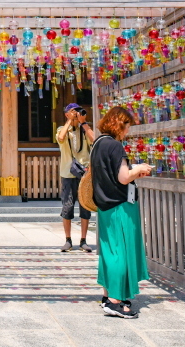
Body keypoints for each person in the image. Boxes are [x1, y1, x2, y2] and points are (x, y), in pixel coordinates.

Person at [91, 106, 153, 319]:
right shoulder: (115, 146)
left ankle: (109, 295)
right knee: (120, 253)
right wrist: (139, 169)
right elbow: (124, 177)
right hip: (119, 205)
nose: (127, 131)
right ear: (120, 124)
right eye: (126, 126)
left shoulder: (98, 144)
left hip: (104, 204)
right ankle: (115, 302)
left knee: (109, 252)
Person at [55, 103, 95, 252]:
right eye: (72, 112)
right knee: (68, 206)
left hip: (85, 172)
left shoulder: (84, 129)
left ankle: (83, 240)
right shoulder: (62, 129)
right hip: (68, 172)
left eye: (77, 111)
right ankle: (68, 240)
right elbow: (61, 137)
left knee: (85, 206)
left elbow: (95, 140)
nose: (76, 114)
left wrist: (83, 123)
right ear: (66, 114)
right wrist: (69, 121)